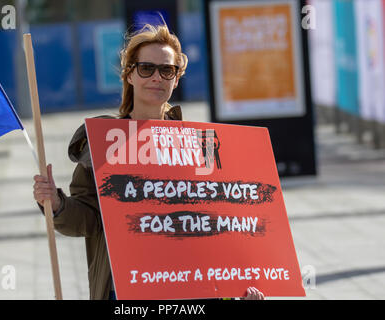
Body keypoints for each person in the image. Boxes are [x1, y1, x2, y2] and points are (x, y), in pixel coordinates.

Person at [33, 23, 265, 301]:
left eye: (166, 70)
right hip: (127, 292)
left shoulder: (202, 145)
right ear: (129, 75)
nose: (157, 77)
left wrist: (237, 290)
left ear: (176, 79)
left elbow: (221, 227)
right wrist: (56, 204)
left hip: (190, 294)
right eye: (146, 68)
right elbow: (88, 220)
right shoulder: (105, 142)